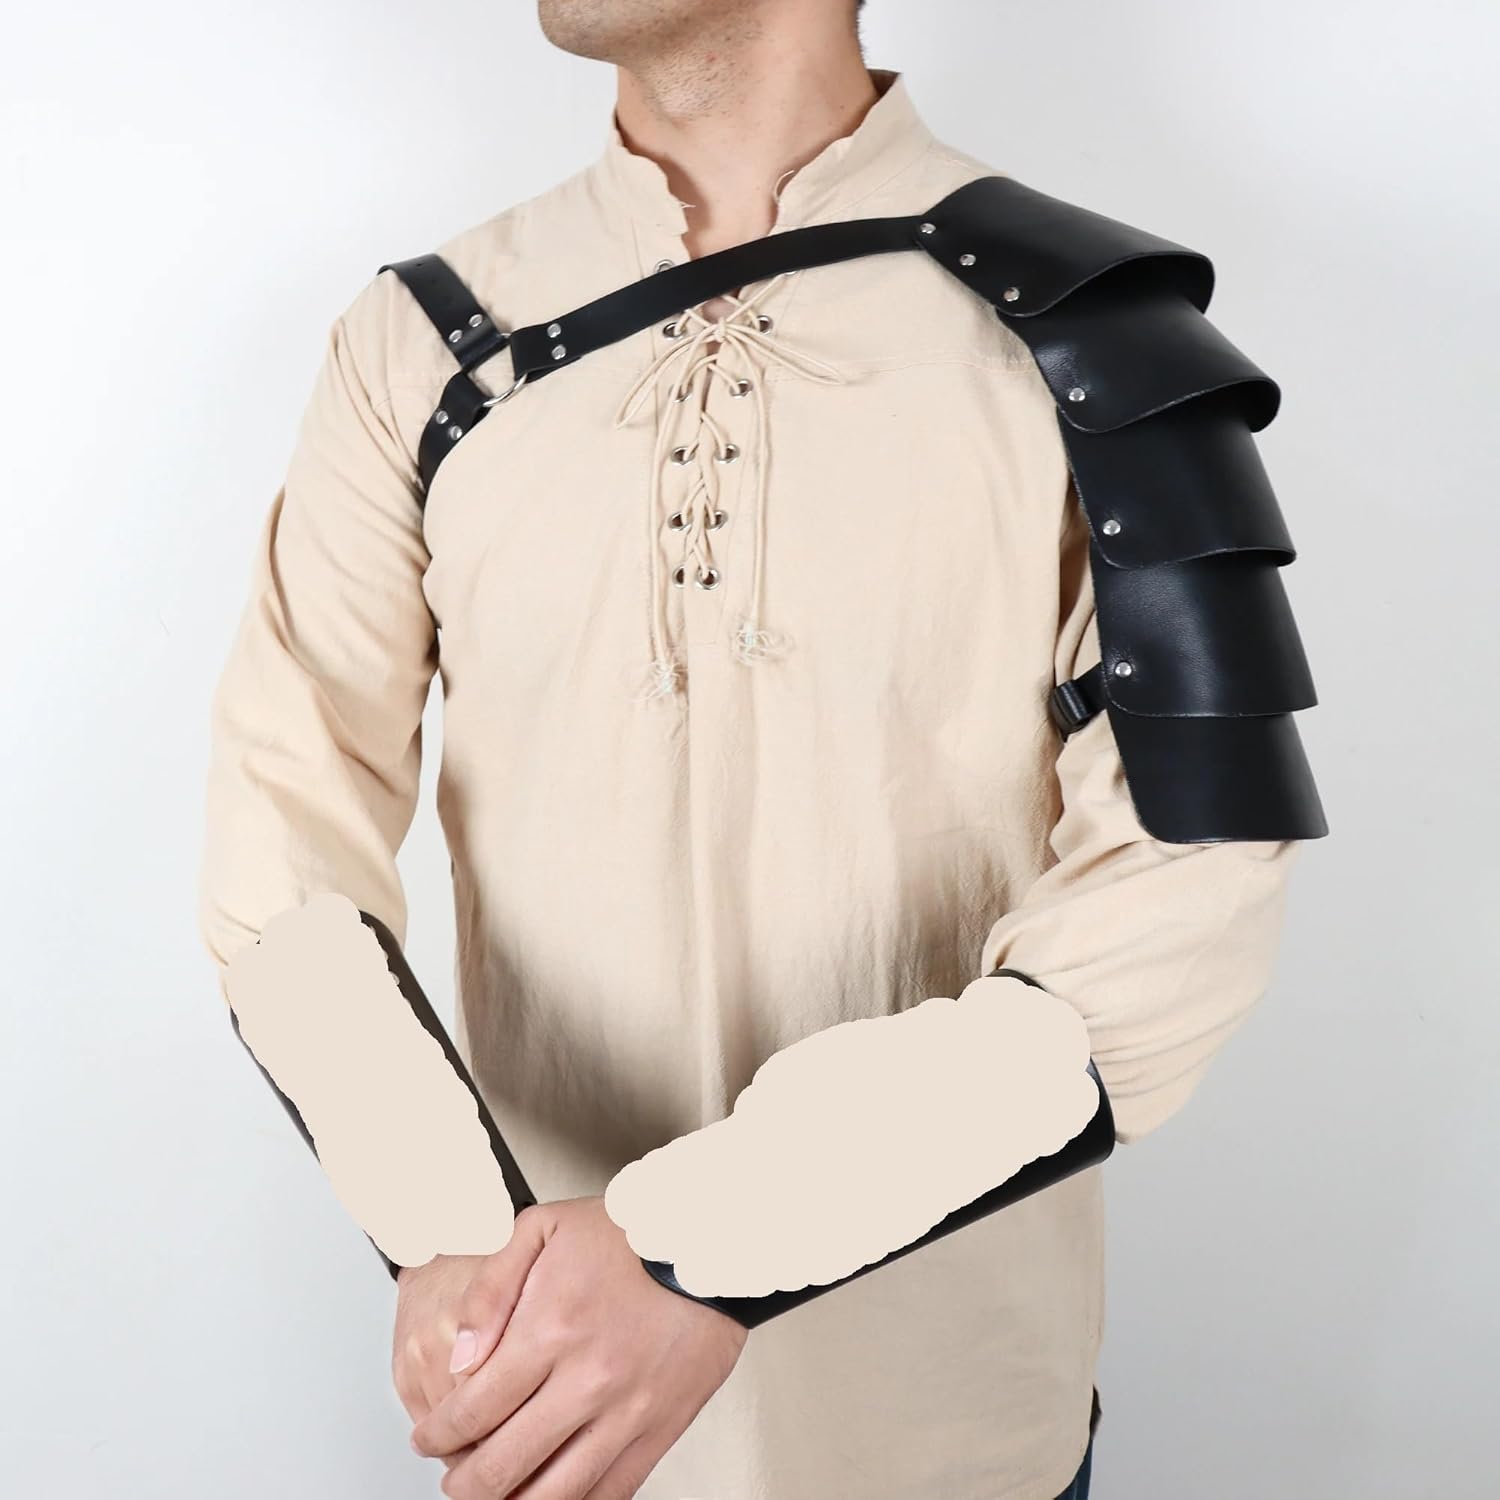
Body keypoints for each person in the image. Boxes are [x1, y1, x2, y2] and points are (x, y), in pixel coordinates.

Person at [197, 3, 1321, 1497]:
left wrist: (701, 1248)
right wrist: (452, 1236)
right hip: (548, 1419)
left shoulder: (1097, 334)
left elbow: (1184, 895)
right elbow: (280, 838)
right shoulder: (417, 343)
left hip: (949, 1439)